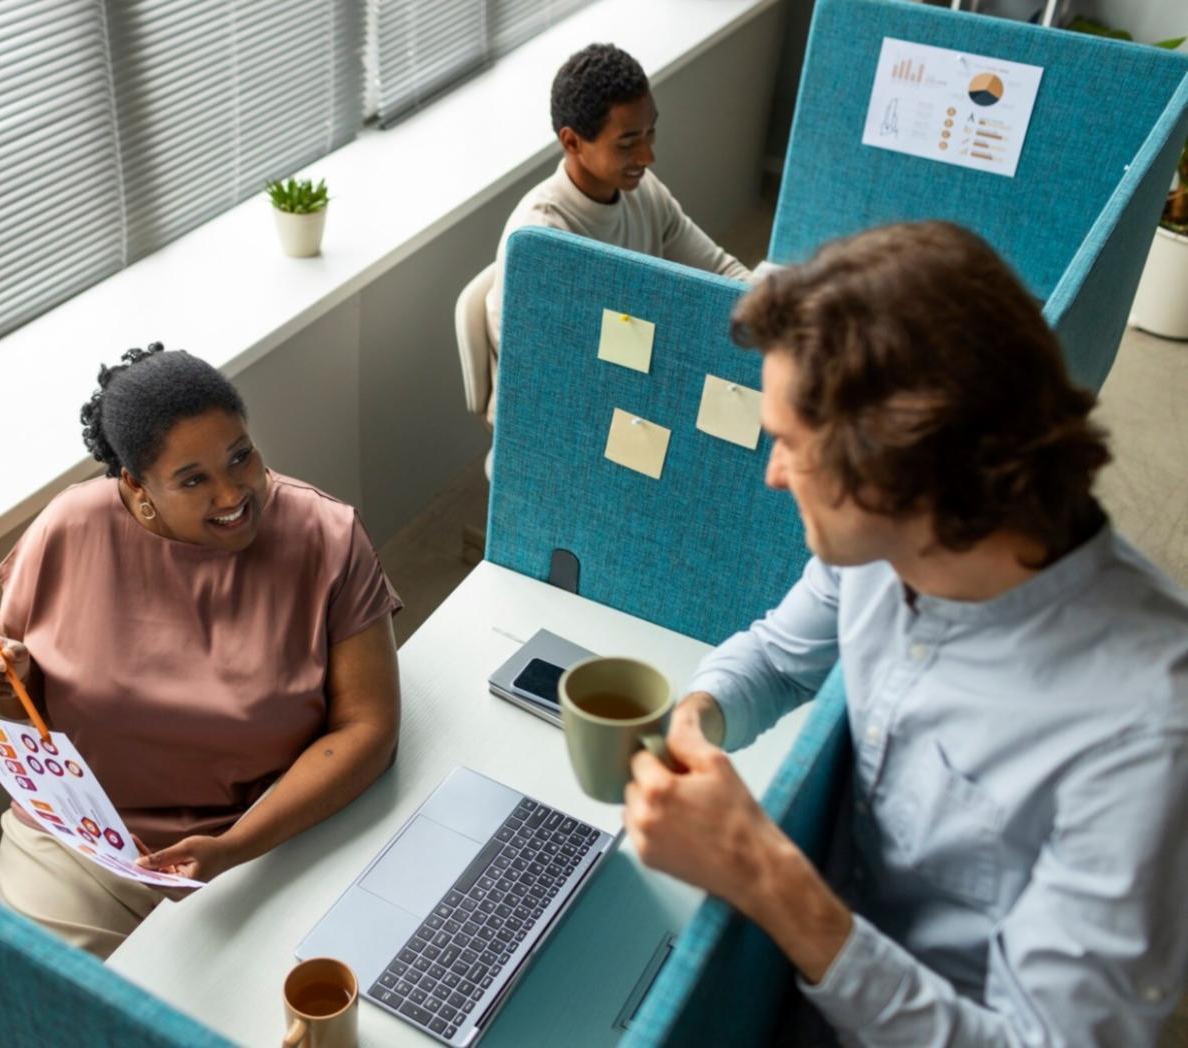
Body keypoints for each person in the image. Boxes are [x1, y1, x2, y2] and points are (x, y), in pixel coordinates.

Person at [623, 222, 1188, 1045]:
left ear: (896, 464)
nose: (771, 473)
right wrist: (698, 716)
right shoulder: (884, 547)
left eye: (788, 444)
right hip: (815, 971)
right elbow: (781, 660)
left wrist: (765, 875)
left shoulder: (1143, 733)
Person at [0, 345, 403, 957]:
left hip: (264, 836)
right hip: (83, 843)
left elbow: (368, 727)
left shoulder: (326, 537)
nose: (233, 494)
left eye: (241, 456)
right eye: (193, 480)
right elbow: (30, 714)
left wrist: (237, 847)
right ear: (138, 488)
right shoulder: (67, 529)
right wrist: (4, 678)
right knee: (56, 1012)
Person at [482, 42, 751, 425]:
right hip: (561, 415)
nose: (647, 156)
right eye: (627, 143)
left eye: (650, 132)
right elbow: (555, 376)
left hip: (632, 386)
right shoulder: (543, 239)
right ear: (572, 142)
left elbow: (722, 274)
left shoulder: (644, 192)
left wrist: (777, 313)